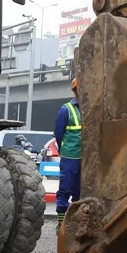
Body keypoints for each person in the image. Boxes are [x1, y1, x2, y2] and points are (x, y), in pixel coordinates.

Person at [54, 79, 83, 225]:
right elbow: (58, 134)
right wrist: (64, 149)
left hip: (84, 158)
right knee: (65, 188)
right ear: (75, 90)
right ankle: (61, 222)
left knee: (80, 192)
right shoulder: (66, 110)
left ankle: (77, 222)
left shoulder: (89, 109)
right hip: (70, 157)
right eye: (80, 88)